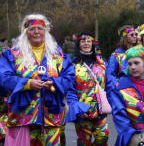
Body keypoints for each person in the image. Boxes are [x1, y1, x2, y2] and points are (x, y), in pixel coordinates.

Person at [0, 14, 76, 145]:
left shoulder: (58, 55)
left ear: (45, 32)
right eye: (32, 29)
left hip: (51, 118)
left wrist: (55, 83)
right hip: (23, 118)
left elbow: (69, 77)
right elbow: (4, 78)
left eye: (40, 28)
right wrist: (28, 83)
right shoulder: (12, 54)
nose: (36, 32)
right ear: (26, 33)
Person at [67, 31, 109, 145]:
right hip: (83, 112)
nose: (86, 43)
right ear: (78, 44)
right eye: (83, 41)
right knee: (84, 142)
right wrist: (76, 108)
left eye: (89, 41)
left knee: (103, 137)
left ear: (93, 44)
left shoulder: (102, 64)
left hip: (100, 111)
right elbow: (70, 90)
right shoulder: (73, 65)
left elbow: (109, 85)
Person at [105, 25, 137, 103]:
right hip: (123, 95)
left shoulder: (138, 52)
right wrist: (119, 88)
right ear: (125, 37)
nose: (135, 36)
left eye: (136, 34)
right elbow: (110, 76)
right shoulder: (116, 55)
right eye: (132, 35)